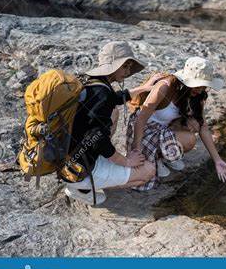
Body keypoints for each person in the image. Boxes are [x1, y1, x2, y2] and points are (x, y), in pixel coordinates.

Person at [64, 41, 164, 205]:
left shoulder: (88, 81)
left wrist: (142, 88)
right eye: (125, 66)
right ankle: (81, 189)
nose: (128, 71)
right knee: (148, 171)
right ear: (114, 65)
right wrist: (126, 161)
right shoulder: (102, 92)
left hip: (68, 156)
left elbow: (112, 99)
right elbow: (98, 140)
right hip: (82, 167)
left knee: (114, 112)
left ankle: (85, 180)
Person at [126, 57, 226, 190]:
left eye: (204, 86)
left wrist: (217, 160)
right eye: (198, 85)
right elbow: (140, 120)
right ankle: (156, 157)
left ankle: (162, 157)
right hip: (144, 129)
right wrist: (137, 151)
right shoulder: (165, 86)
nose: (200, 90)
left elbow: (203, 126)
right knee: (190, 139)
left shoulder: (198, 94)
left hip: (164, 128)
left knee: (194, 124)